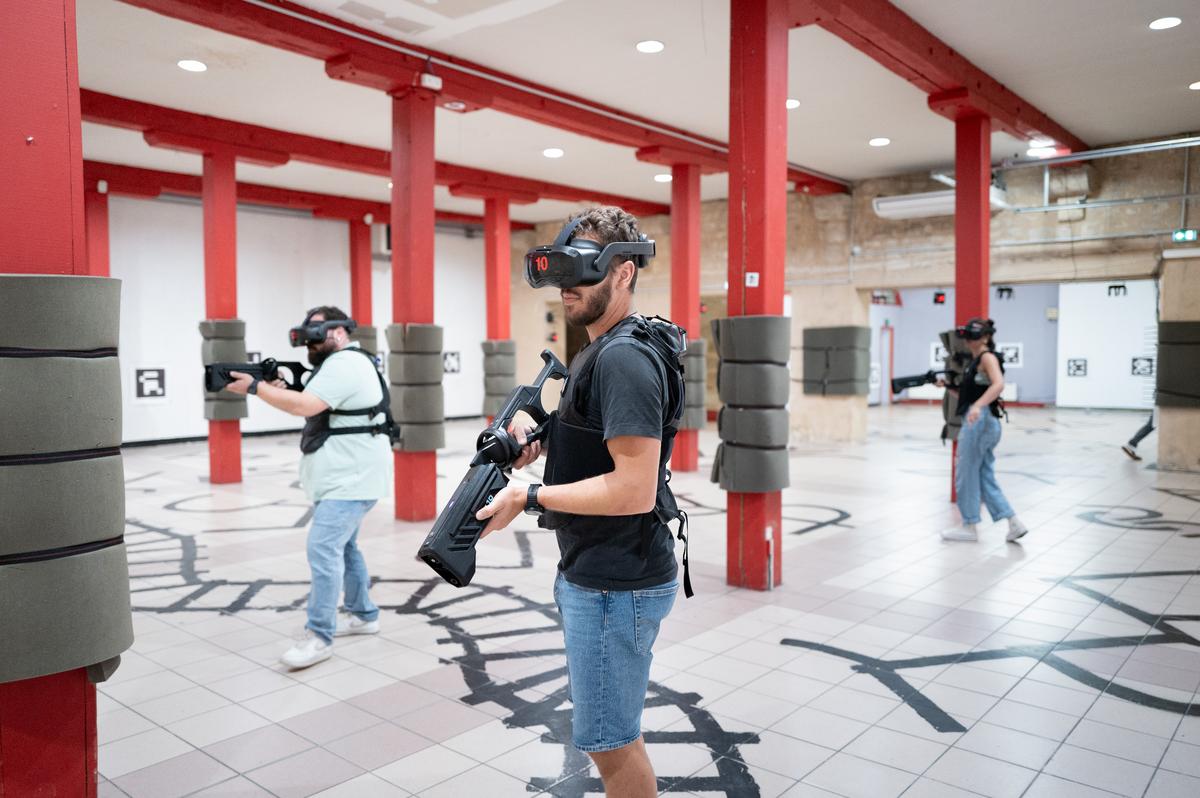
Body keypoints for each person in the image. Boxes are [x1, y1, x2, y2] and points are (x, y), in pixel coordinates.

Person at [475, 207, 687, 798]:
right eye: (561, 273)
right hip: (600, 570)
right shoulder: (606, 347)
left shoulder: (621, 357)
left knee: (608, 740)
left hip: (617, 580)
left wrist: (531, 494)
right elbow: (601, 453)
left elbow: (633, 489)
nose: (569, 287)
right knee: (611, 734)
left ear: (623, 272)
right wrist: (540, 444)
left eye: (584, 271)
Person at [224, 306, 391, 668]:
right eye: (307, 332)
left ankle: (319, 636)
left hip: (352, 478)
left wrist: (256, 387)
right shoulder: (337, 364)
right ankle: (364, 615)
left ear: (341, 332)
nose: (311, 339)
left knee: (322, 548)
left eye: (318, 331)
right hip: (346, 477)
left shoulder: (345, 362)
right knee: (344, 548)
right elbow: (316, 403)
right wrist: (276, 387)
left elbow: (305, 406)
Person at [940, 318, 1029, 543]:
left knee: (965, 473)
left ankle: (969, 526)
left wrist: (978, 406)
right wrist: (948, 387)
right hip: (983, 420)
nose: (970, 341)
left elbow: (998, 384)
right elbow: (968, 397)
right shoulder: (976, 360)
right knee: (982, 475)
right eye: (968, 337)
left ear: (986, 337)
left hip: (980, 421)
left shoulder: (987, 357)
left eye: (974, 336)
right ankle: (1013, 522)